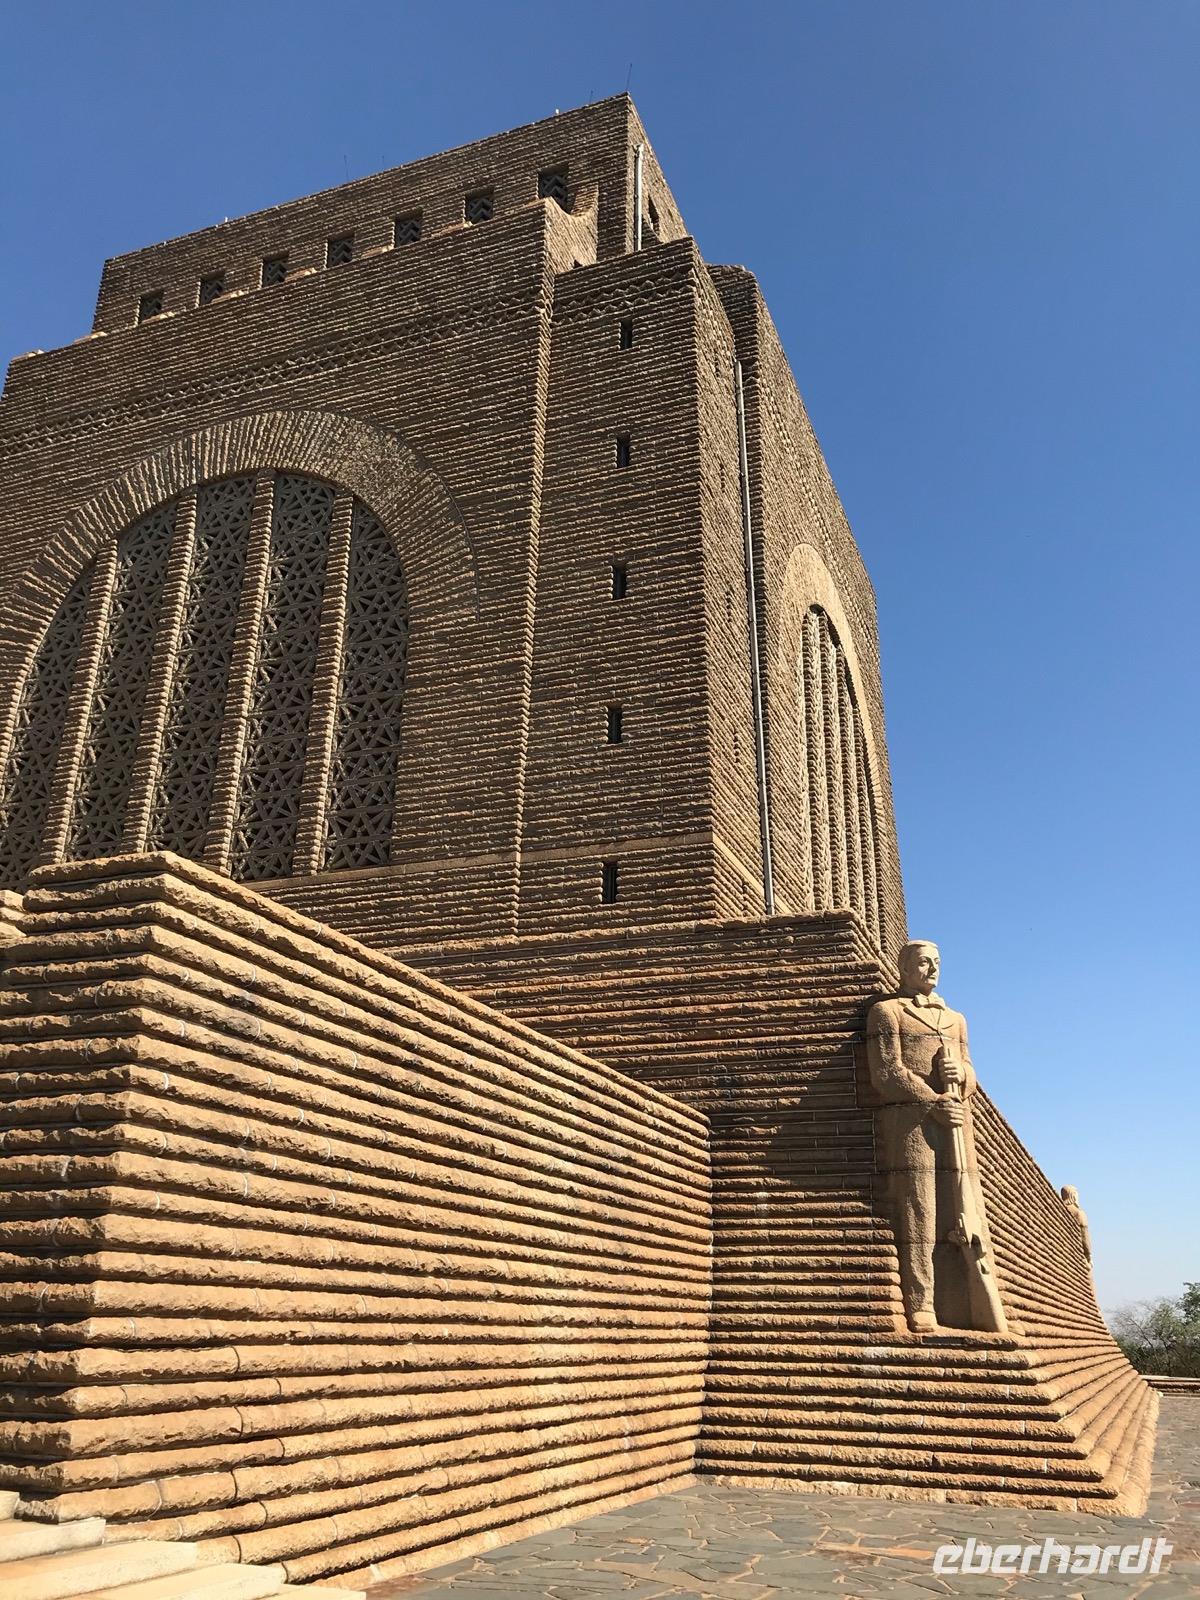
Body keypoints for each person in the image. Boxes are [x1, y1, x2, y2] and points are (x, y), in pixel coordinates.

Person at [866, 939, 998, 1333]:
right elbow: (887, 1072)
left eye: (937, 962)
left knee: (964, 1206)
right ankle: (922, 1303)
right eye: (924, 962)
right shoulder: (887, 1012)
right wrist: (932, 1099)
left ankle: (973, 1299)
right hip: (913, 1121)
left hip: (957, 1119)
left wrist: (963, 1077)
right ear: (905, 968)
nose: (933, 969)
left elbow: (971, 1068)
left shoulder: (956, 1019)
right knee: (919, 1208)